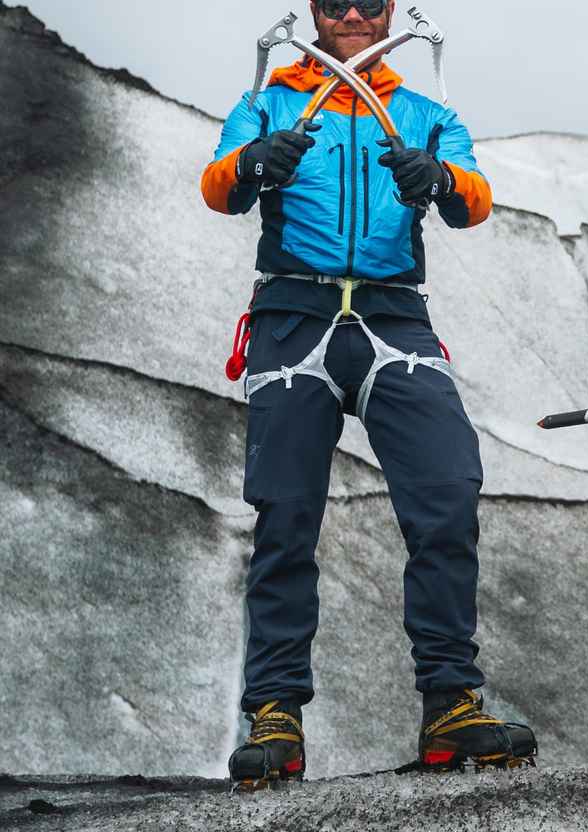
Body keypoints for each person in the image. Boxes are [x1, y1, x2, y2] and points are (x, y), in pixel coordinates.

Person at [200, 0, 534, 788]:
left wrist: (438, 176)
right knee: (285, 513)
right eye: (334, 0)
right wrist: (256, 163)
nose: (352, 13)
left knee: (447, 489)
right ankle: (274, 714)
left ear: (391, 13)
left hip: (395, 315)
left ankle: (451, 702)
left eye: (370, 1)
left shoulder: (425, 113)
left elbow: (474, 201)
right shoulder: (267, 101)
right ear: (313, 11)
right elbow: (218, 187)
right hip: (292, 315)